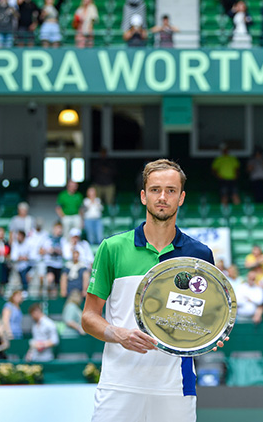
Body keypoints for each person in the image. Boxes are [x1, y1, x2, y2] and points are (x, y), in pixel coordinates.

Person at [81, 159, 225, 421]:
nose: (162, 197)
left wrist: (210, 336)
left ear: (181, 198)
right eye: (155, 189)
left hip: (176, 388)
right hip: (119, 383)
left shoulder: (199, 255)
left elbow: (204, 318)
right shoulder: (112, 248)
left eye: (171, 190)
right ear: (143, 196)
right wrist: (119, 334)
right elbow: (89, 317)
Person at [43, 222, 64, 294]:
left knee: (57, 284)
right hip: (50, 263)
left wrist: (59, 251)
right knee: (50, 279)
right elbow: (42, 250)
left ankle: (54, 298)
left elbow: (65, 252)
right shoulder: (48, 239)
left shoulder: (63, 240)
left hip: (59, 264)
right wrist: (50, 250)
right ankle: (48, 296)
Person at [11, 230, 33, 295]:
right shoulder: (15, 244)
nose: (18, 237)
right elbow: (13, 257)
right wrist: (21, 258)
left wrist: (25, 258)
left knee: (26, 275)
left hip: (27, 267)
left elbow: (31, 256)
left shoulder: (28, 244)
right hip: (17, 267)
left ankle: (25, 291)